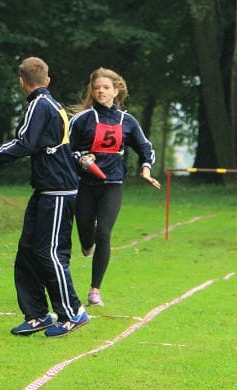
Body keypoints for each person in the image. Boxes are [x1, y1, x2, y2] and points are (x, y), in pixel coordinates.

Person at [0, 56, 88, 337]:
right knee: (27, 252)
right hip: (46, 190)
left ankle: (73, 312)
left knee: (49, 253)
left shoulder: (40, 105)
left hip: (59, 191)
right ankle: (37, 315)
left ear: (21, 82)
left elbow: (25, 142)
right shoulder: (47, 104)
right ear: (47, 79)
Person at [68, 67, 161, 307]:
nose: (100, 91)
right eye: (97, 88)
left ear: (116, 90)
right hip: (85, 186)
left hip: (112, 185)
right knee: (87, 235)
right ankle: (86, 244)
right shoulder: (82, 119)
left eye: (106, 88)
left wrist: (146, 169)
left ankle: (94, 290)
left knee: (104, 233)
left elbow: (145, 148)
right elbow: (66, 146)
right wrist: (81, 158)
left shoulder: (127, 121)